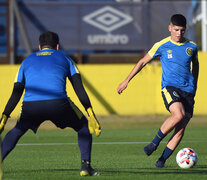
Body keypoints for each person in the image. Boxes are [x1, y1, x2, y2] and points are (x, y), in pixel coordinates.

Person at [0, 31, 101, 176]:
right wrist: (91, 113)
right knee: (83, 126)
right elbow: (79, 89)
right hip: (58, 104)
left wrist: (4, 117)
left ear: (39, 46)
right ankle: (86, 167)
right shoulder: (66, 59)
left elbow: (16, 92)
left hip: (31, 106)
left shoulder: (26, 61)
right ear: (57, 47)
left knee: (18, 129)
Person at [117, 14, 199, 168]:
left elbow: (196, 66)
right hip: (170, 87)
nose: (179, 33)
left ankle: (162, 159)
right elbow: (142, 62)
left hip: (188, 91)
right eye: (176, 30)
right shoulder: (161, 45)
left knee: (181, 128)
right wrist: (126, 80)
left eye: (182, 30)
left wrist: (195, 85)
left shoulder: (192, 46)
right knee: (178, 114)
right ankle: (154, 143)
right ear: (170, 28)